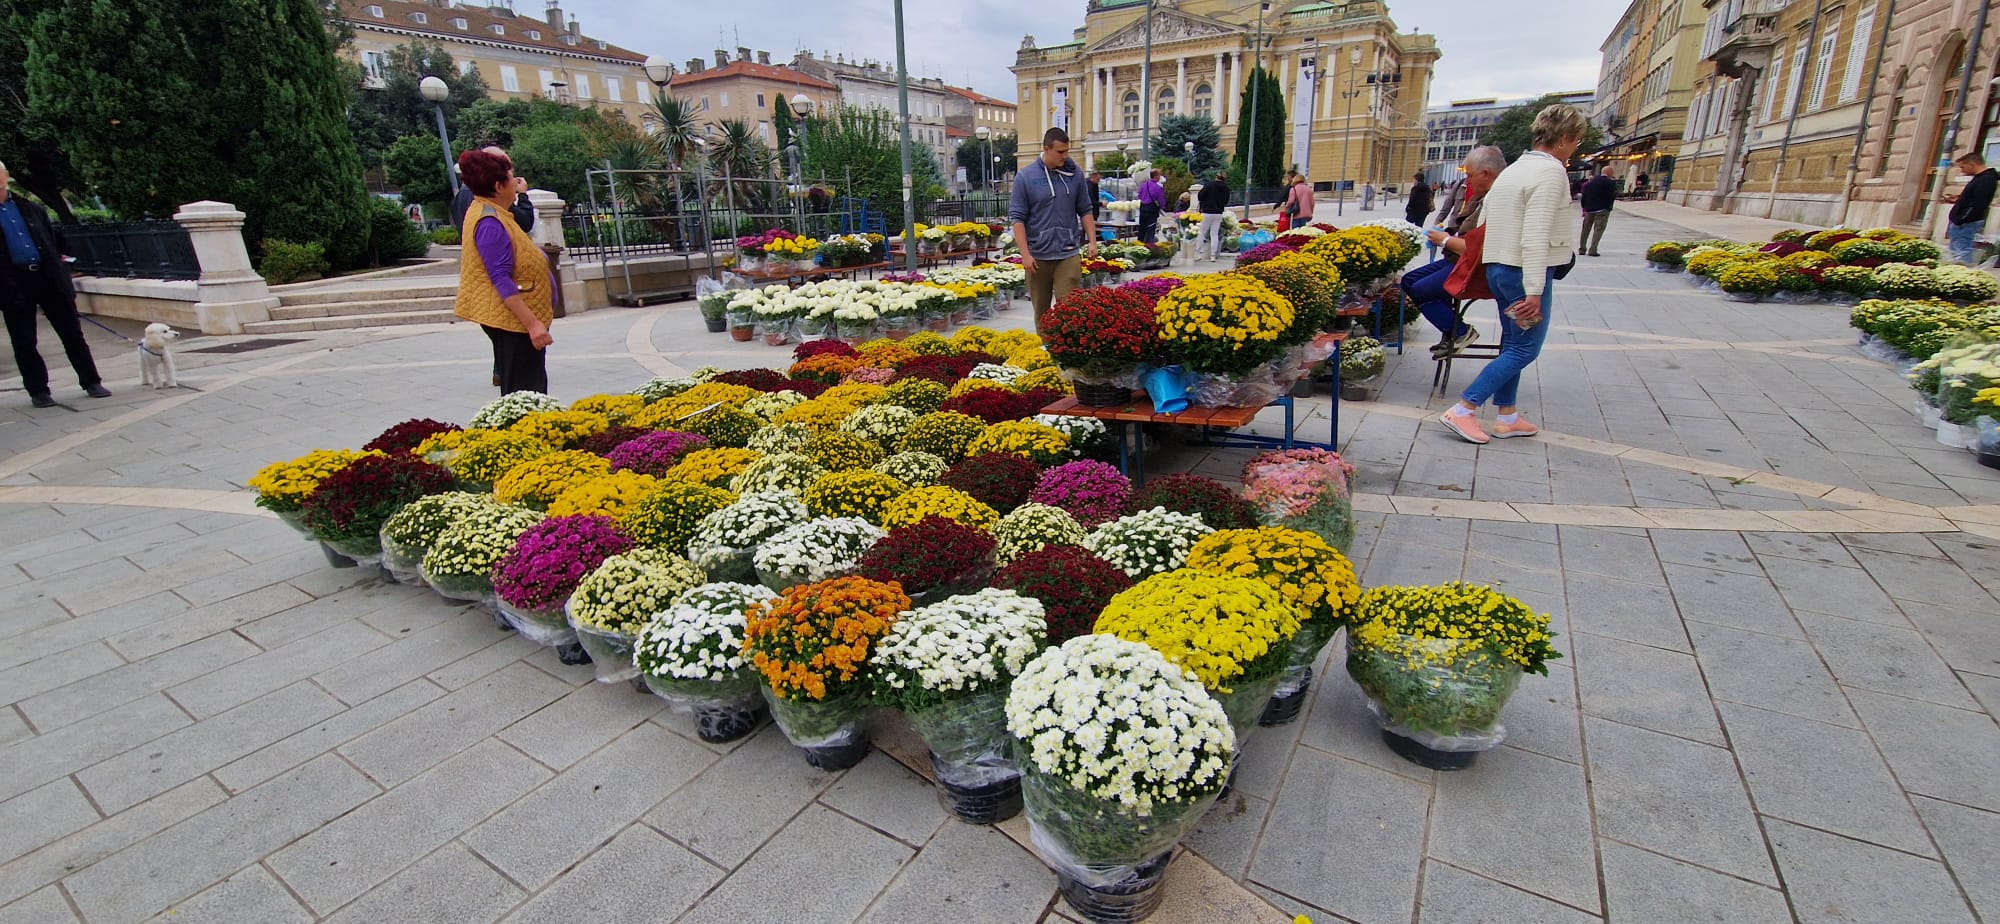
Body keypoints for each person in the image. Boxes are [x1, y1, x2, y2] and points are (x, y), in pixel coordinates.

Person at [1439, 104, 1586, 445]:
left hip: (1500, 268)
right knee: (1525, 348)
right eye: (1576, 141)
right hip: (1523, 272)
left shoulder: (1514, 169)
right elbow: (1536, 235)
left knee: (1512, 344)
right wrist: (1534, 289)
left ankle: (1507, 415)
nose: (1574, 148)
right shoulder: (1550, 173)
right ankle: (1464, 408)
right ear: (1564, 138)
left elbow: (1484, 224)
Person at [0, 159, 108, 408]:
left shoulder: (30, 208)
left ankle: (91, 381)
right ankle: (38, 390)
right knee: (24, 340)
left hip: (47, 276)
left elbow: (52, 240)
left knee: (72, 333)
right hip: (13, 282)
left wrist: (62, 271)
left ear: (6, 176)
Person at [454, 148, 555, 395]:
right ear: (499, 186)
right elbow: (500, 277)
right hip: (513, 322)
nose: (516, 182)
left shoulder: (496, 211)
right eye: (511, 178)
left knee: (529, 387)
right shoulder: (489, 221)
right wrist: (533, 324)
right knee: (525, 391)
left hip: (516, 320)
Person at [1399, 146, 1505, 357]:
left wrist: (1446, 240)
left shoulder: (1499, 199)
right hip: (1458, 259)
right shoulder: (1480, 195)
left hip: (1475, 266)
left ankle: (1460, 332)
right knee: (1409, 280)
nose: (1468, 181)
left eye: (1470, 175)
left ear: (1485, 173)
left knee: (1421, 290)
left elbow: (1481, 247)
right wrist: (1446, 233)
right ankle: (1452, 329)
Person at [1008, 127, 1098, 327]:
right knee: (1042, 313)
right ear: (1046, 149)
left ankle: (1067, 345)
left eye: (1067, 151)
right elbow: (1017, 219)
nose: (1065, 156)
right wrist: (1025, 255)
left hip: (1068, 253)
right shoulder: (1026, 177)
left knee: (1071, 311)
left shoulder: (1074, 175)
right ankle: (1045, 345)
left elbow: (1085, 210)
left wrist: (1092, 242)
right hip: (1038, 256)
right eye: (1060, 152)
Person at [450, 145, 535, 234]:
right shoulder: (492, 201)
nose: (513, 179)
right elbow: (525, 223)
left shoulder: (463, 195)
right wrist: (522, 195)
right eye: (507, 169)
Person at [1944, 152, 1998, 265]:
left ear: (1972, 164)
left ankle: (1961, 272)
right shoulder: (1980, 178)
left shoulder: (1986, 179)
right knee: (1957, 251)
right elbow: (1973, 198)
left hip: (1966, 223)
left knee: (1962, 252)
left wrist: (1961, 219)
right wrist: (1959, 199)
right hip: (1963, 221)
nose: (1962, 171)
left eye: (1963, 167)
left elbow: (1979, 203)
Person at [1578, 168, 1618, 257]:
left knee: (1585, 230)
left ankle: (1582, 248)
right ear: (1609, 173)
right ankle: (1593, 249)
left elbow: (1584, 196)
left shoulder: (1590, 183)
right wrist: (1609, 207)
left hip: (1589, 209)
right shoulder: (1610, 183)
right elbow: (1612, 196)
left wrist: (1585, 207)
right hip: (1602, 209)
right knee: (1598, 230)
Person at [1195, 171, 1230, 261]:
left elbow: (1200, 197)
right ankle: (1213, 255)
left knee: (1202, 233)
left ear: (1216, 177)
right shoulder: (1226, 188)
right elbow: (1226, 201)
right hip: (1218, 213)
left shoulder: (1209, 185)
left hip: (1207, 212)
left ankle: (1197, 253)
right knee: (1214, 234)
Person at [1136, 168, 1166, 245]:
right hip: (1152, 209)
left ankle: (1139, 244)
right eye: (1159, 175)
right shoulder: (1158, 187)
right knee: (1150, 228)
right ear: (1156, 176)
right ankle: (1149, 245)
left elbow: (1139, 195)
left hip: (1143, 208)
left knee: (1142, 228)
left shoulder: (1143, 185)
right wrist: (1162, 207)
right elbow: (1161, 199)